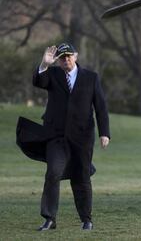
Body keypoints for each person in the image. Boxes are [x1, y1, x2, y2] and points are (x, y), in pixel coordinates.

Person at [33, 43, 110, 231]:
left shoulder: (91, 78)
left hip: (82, 137)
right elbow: (38, 82)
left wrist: (104, 133)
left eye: (69, 56)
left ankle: (86, 219)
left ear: (75, 56)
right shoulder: (53, 75)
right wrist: (44, 64)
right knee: (53, 173)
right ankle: (49, 219)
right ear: (58, 61)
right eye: (62, 57)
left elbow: (100, 107)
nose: (66, 59)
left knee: (81, 176)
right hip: (56, 136)